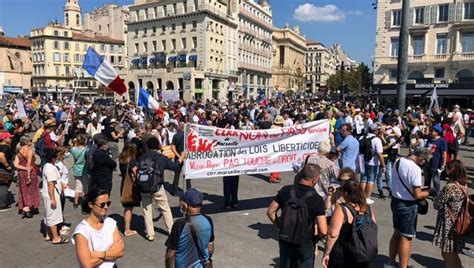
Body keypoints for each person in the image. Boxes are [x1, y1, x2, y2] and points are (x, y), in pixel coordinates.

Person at [267, 163, 328, 268]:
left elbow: (270, 211)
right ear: (315, 179)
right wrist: (316, 239)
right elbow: (323, 230)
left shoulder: (286, 190)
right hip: (305, 242)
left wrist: (280, 225)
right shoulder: (317, 199)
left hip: (285, 238)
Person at [387, 148, 434, 268]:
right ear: (421, 158)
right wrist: (429, 192)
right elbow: (418, 194)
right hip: (408, 205)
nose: (424, 163)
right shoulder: (415, 169)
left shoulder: (399, 161)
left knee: (396, 233)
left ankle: (390, 263)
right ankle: (403, 266)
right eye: (424, 161)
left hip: (396, 201)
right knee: (406, 237)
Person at [322, 180, 377, 268]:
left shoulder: (342, 209)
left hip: (344, 255)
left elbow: (333, 234)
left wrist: (326, 253)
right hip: (362, 254)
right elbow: (373, 226)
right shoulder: (367, 208)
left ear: (346, 193)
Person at [141, 137, 186, 241]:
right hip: (157, 186)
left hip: (144, 187)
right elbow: (174, 166)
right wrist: (182, 157)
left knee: (147, 210)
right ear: (158, 146)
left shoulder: (142, 157)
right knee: (165, 209)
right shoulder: (161, 158)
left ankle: (150, 234)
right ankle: (171, 231)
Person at [73, 188, 125, 267]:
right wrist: (112, 254)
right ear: (91, 205)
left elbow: (120, 251)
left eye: (108, 203)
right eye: (102, 204)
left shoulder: (110, 222)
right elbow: (88, 265)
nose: (106, 207)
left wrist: (101, 254)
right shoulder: (82, 231)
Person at [165, 188, 215, 268]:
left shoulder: (180, 224)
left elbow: (170, 253)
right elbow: (210, 247)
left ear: (185, 205)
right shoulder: (208, 220)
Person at [433, 160, 469, 268]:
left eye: (447, 168)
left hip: (448, 225)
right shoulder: (464, 185)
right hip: (458, 223)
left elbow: (437, 204)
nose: (446, 170)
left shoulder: (450, 187)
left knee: (448, 254)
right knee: (450, 252)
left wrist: (435, 194)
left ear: (452, 171)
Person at [41, 149, 69, 244]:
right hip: (51, 194)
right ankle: (56, 238)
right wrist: (53, 199)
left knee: (48, 214)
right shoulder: (50, 168)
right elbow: (50, 184)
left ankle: (49, 234)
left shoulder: (46, 166)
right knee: (53, 215)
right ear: (52, 158)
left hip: (48, 193)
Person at [13, 136, 40, 218]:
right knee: (31, 189)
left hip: (21, 173)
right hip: (30, 172)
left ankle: (25, 206)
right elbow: (28, 164)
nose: (30, 141)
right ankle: (27, 208)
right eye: (29, 140)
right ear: (26, 142)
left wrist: (23, 168)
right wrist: (28, 175)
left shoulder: (19, 151)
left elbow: (16, 164)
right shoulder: (29, 151)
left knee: (24, 190)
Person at [118, 143, 140, 237]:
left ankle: (127, 226)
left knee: (127, 207)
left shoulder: (122, 159)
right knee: (129, 208)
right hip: (130, 185)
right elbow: (136, 173)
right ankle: (127, 229)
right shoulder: (132, 161)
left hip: (124, 183)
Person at [360, 124, 385, 205]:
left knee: (363, 179)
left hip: (362, 161)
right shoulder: (376, 140)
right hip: (372, 162)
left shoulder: (362, 137)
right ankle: (367, 197)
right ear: (375, 131)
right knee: (371, 180)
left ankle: (361, 196)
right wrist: (383, 165)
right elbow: (379, 154)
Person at [425, 124, 447, 193]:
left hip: (436, 163)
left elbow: (444, 153)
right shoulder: (429, 139)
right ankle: (426, 192)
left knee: (436, 180)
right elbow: (426, 149)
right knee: (427, 179)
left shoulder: (442, 141)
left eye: (432, 131)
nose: (431, 132)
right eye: (431, 130)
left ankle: (437, 194)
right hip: (427, 163)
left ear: (437, 132)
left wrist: (443, 164)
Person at [171, 121, 189, 193]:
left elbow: (172, 147)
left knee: (177, 174)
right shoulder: (188, 136)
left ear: (179, 127)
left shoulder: (176, 136)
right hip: (187, 157)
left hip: (178, 157)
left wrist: (179, 156)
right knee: (188, 175)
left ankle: (174, 190)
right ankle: (188, 189)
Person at [70, 134, 87, 208]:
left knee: (78, 186)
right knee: (84, 187)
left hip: (76, 168)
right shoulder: (86, 149)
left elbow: (72, 146)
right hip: (85, 169)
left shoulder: (73, 149)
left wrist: (75, 143)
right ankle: (84, 202)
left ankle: (76, 202)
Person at [0, 132, 15, 211]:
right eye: (9, 138)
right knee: (3, 186)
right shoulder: (5, 147)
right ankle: (1, 205)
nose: (11, 139)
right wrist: (7, 166)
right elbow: (1, 156)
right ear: (4, 139)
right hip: (3, 170)